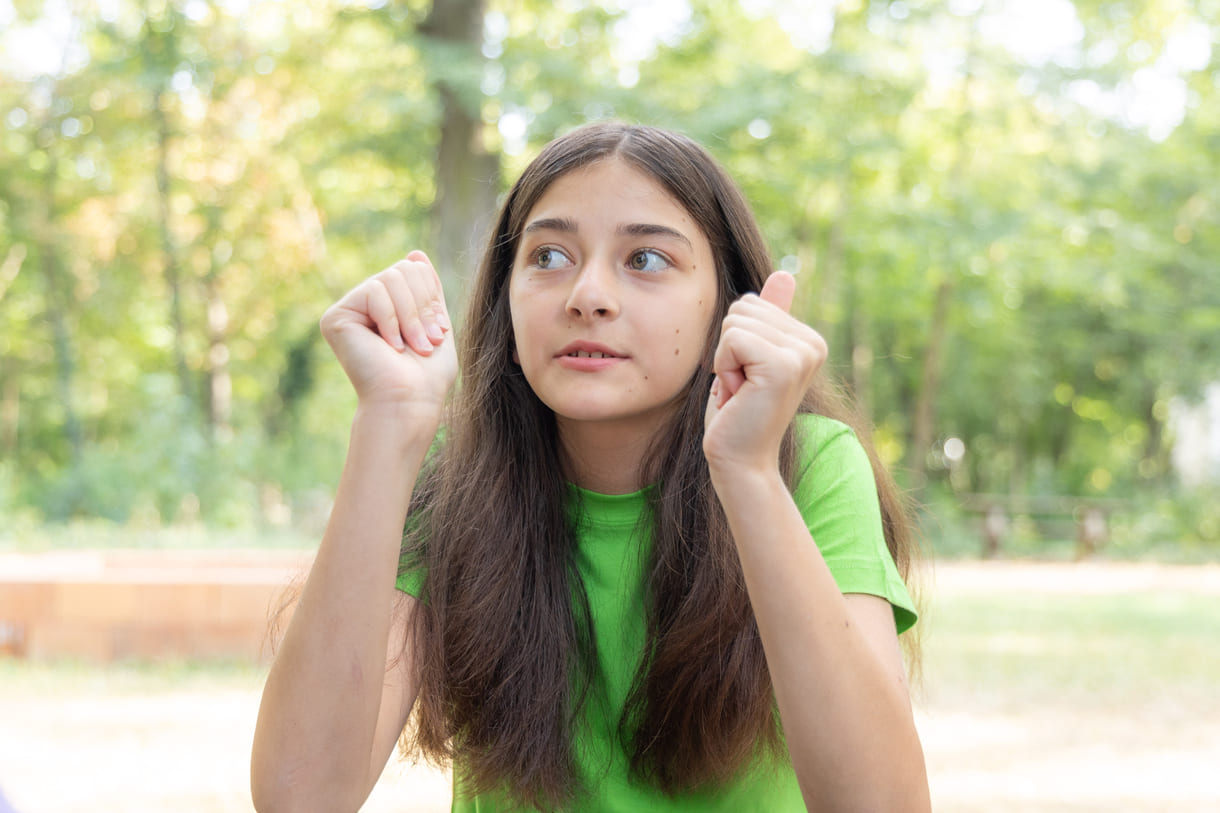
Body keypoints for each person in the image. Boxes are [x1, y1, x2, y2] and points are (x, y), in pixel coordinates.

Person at [251, 122, 930, 812]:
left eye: (645, 260)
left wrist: (748, 471)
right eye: (549, 256)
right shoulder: (448, 480)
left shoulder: (804, 463)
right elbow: (300, 797)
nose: (588, 294)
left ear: (726, 314)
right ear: (506, 308)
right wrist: (387, 421)